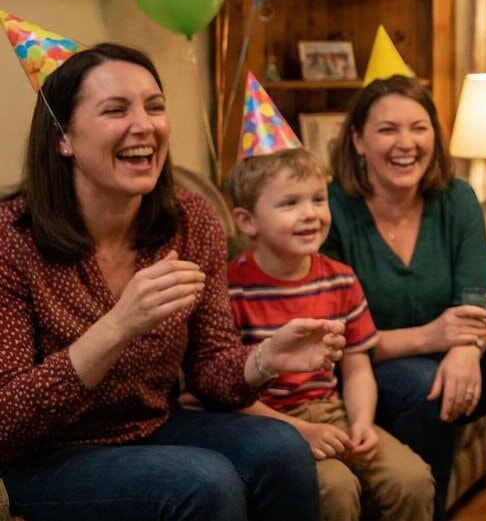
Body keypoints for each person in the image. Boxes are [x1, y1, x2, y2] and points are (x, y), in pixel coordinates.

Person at [0, 41, 345, 521]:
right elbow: (7, 419)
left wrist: (265, 359)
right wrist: (117, 326)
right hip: (43, 455)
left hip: (153, 426)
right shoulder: (11, 239)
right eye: (115, 109)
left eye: (155, 106)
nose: (144, 125)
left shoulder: (189, 219)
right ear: (63, 137)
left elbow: (210, 370)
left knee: (281, 448)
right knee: (202, 483)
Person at [323, 74, 486, 521]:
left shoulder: (457, 197)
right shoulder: (330, 210)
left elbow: (476, 297)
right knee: (423, 385)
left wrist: (465, 348)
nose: (405, 143)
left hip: (452, 351)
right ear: (357, 141)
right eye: (387, 129)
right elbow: (337, 337)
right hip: (369, 370)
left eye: (418, 127)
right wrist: (430, 338)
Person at [226, 137, 434, 521]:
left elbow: (356, 368)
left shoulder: (341, 279)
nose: (311, 214)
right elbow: (221, 393)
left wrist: (361, 424)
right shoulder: (231, 289)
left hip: (334, 413)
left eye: (318, 199)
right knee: (335, 488)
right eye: (290, 203)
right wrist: (298, 429)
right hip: (267, 423)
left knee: (412, 479)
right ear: (246, 220)